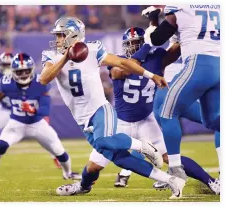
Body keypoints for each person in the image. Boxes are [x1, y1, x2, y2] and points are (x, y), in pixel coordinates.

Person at [40, 16, 185, 199]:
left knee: (103, 143)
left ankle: (143, 146)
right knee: (118, 159)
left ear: (73, 35)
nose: (58, 39)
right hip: (82, 118)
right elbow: (44, 78)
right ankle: (171, 180)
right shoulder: (51, 55)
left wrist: (151, 75)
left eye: (61, 35)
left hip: (101, 110)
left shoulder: (93, 48)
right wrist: (65, 57)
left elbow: (123, 63)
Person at [111, 25, 219, 195]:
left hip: (146, 121)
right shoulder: (120, 61)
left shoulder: (156, 59)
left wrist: (177, 32)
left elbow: (175, 50)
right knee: (104, 159)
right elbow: (122, 70)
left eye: (136, 43)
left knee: (169, 157)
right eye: (129, 44)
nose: (132, 47)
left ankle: (212, 182)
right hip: (122, 122)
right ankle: (108, 178)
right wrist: (146, 44)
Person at [147, 5, 220, 196]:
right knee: (214, 121)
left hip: (198, 64)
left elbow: (157, 39)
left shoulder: (179, 5)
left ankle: (175, 170)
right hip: (220, 64)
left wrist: (154, 18)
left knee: (166, 112)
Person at [0, 53, 81, 182]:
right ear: (13, 71)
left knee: (59, 151)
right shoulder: (7, 83)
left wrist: (33, 110)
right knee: (0, 146)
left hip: (37, 124)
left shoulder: (40, 82)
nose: (24, 74)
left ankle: (68, 173)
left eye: (26, 70)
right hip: (16, 123)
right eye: (20, 71)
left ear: (32, 69)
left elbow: (45, 107)